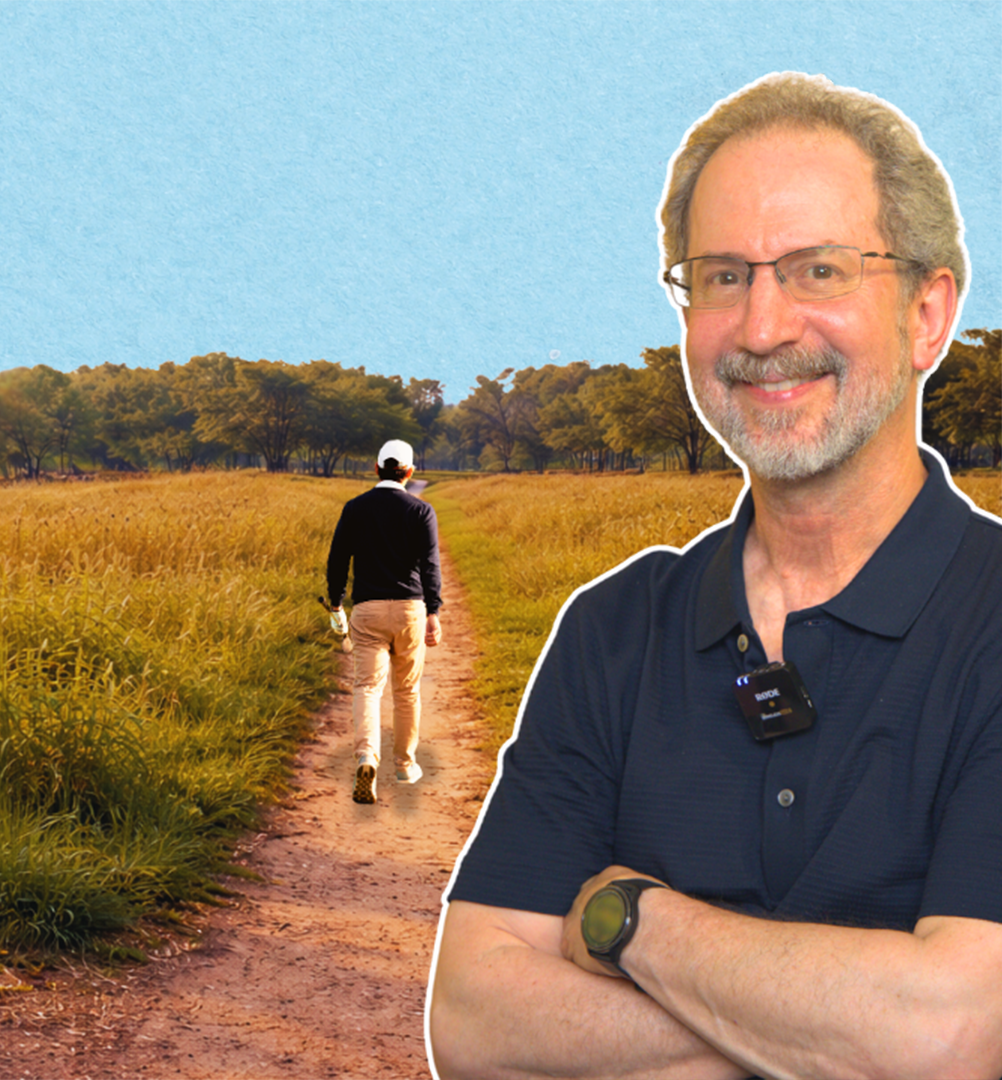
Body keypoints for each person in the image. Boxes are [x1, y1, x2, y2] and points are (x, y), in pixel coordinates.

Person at [429, 72, 1002, 1079]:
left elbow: (950, 1037)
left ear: (927, 314)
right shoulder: (613, 629)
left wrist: (629, 922)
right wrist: (822, 1035)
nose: (763, 328)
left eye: (819, 269)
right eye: (724, 276)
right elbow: (473, 1017)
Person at [326, 438, 444, 804]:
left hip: (368, 610)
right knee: (406, 691)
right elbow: (430, 566)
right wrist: (434, 613)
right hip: (410, 610)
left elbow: (337, 559)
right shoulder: (422, 512)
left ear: (376, 469)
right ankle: (405, 765)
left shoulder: (355, 508)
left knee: (367, 688)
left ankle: (366, 757)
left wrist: (335, 603)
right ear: (409, 472)